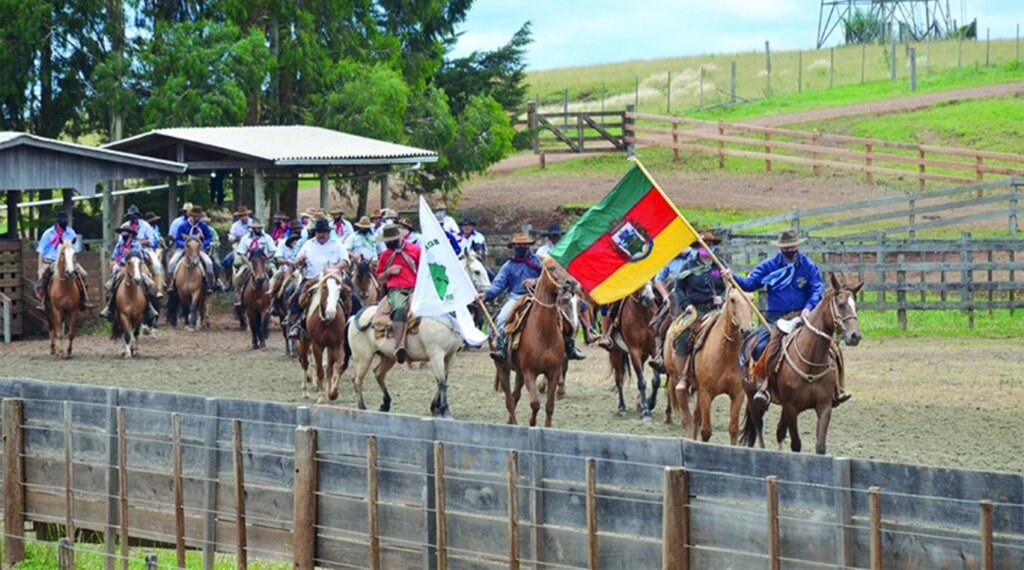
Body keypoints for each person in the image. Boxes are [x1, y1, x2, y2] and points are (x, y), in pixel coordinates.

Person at [724, 230, 847, 404]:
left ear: (797, 245)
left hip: (803, 315)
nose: (789, 248)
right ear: (781, 247)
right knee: (760, 346)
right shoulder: (769, 265)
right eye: (785, 246)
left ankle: (837, 388)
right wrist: (732, 277)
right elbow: (750, 284)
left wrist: (809, 307)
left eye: (792, 245)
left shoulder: (808, 266)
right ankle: (763, 385)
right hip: (776, 318)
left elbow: (817, 288)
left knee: (832, 348)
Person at [478, 231, 584, 362]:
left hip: (538, 298)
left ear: (529, 246)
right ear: (513, 247)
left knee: (566, 319)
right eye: (518, 245)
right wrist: (486, 295)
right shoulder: (508, 266)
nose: (521, 247)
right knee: (501, 319)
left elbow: (550, 276)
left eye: (524, 244)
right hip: (515, 298)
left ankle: (570, 347)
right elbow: (498, 284)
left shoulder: (540, 262)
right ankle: (503, 348)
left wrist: (535, 281)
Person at [287, 218, 351, 339]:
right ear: (315, 232)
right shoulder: (308, 244)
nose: (321, 234)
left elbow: (345, 261)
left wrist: (335, 269)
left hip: (334, 278)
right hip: (313, 279)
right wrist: (300, 261)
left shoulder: (337, 244)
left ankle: (352, 323)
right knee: (297, 296)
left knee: (353, 296)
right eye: (318, 232)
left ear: (328, 232)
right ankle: (296, 323)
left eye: (323, 232)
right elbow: (298, 262)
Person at [375, 224, 421, 363]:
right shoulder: (385, 255)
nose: (387, 243)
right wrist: (388, 272)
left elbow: (423, 269)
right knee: (400, 308)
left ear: (398, 238)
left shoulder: (415, 250)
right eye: (386, 241)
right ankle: (398, 345)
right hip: (396, 289)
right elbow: (379, 277)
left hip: (415, 287)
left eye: (390, 241)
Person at [99, 223, 159, 321]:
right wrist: (114, 262)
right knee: (113, 282)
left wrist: (130, 255)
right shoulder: (119, 245)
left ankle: (149, 307)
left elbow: (141, 256)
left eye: (125, 232)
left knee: (148, 283)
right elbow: (114, 257)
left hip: (136, 266)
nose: (124, 234)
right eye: (122, 232)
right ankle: (110, 307)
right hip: (122, 267)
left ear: (130, 234)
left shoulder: (136, 244)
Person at [35, 211, 87, 311]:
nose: (64, 223)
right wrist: (40, 267)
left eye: (65, 221)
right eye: (62, 221)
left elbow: (76, 249)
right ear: (57, 222)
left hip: (69, 260)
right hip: (51, 261)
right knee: (42, 278)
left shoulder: (71, 233)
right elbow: (41, 252)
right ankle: (42, 301)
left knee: (84, 275)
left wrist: (72, 260)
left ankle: (84, 299)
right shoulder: (48, 233)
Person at [168, 206, 217, 294]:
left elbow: (209, 237)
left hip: (199, 249)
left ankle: (209, 284)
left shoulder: (203, 226)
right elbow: (178, 239)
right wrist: (185, 245)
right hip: (184, 249)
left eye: (199, 217)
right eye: (195, 216)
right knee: (172, 263)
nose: (197, 218)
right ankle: (171, 283)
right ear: (190, 216)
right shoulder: (183, 226)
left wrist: (204, 244)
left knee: (209, 263)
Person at [232, 219, 277, 309]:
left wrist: (266, 258)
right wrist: (248, 262)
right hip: (250, 262)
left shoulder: (267, 237)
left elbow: (273, 250)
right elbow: (242, 253)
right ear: (252, 228)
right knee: (239, 276)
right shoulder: (245, 238)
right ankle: (239, 298)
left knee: (275, 275)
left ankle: (274, 299)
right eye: (256, 228)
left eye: (260, 228)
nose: (258, 229)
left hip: (265, 262)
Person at [223, 206, 253, 272]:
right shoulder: (235, 226)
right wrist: (236, 238)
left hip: (252, 246)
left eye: (245, 215)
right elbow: (231, 237)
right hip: (239, 246)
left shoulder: (253, 223)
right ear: (239, 216)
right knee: (226, 261)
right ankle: (229, 279)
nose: (244, 217)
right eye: (242, 216)